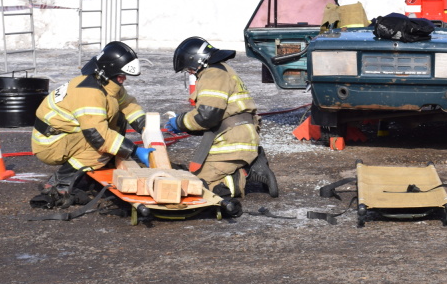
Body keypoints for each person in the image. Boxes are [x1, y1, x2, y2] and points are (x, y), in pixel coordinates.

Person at [31, 41, 154, 206]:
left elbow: (127, 105)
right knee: (102, 148)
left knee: (117, 120)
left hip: (66, 136)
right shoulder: (89, 92)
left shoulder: (106, 84)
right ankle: (61, 181)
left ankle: (99, 164)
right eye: (120, 75)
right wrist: (134, 151)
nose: (123, 79)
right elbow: (99, 137)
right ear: (108, 71)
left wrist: (145, 125)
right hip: (50, 144)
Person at [165, 36, 278, 198]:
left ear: (198, 61)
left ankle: (244, 176)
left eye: (189, 68)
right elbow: (213, 117)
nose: (190, 72)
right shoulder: (221, 70)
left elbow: (207, 116)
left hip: (233, 141)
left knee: (198, 186)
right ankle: (250, 163)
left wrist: (179, 122)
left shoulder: (212, 75)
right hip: (238, 135)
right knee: (196, 178)